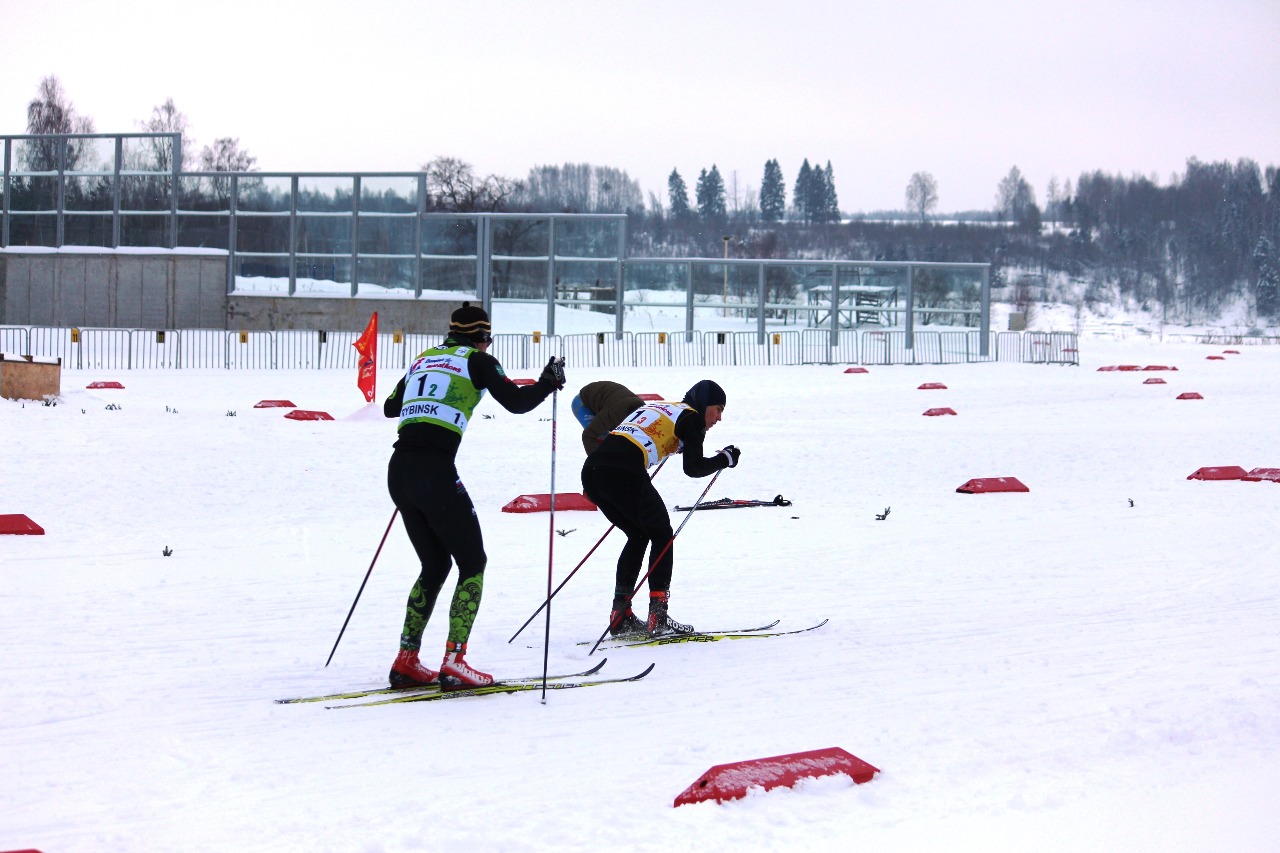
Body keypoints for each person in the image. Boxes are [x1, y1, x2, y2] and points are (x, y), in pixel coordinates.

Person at [383, 301, 565, 689]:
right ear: (482, 337)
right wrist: (547, 382)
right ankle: (454, 661)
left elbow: (390, 407)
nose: (487, 346)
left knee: (434, 566)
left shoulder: (423, 358)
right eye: (488, 340)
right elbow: (516, 403)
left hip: (399, 471)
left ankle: (407, 659)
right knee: (472, 563)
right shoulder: (478, 360)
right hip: (435, 471)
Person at [579, 379, 741, 638]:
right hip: (624, 469)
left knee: (639, 534)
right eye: (718, 409)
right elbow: (694, 467)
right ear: (704, 404)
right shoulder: (693, 419)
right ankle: (659, 614)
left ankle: (620, 615)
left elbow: (651, 435)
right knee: (663, 535)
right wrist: (725, 459)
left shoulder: (665, 408)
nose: (718, 418)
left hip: (593, 471)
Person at [572, 380, 644, 456]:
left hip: (609, 399)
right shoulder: (613, 414)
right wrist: (596, 462)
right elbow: (588, 435)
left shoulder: (644, 413)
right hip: (583, 402)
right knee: (601, 438)